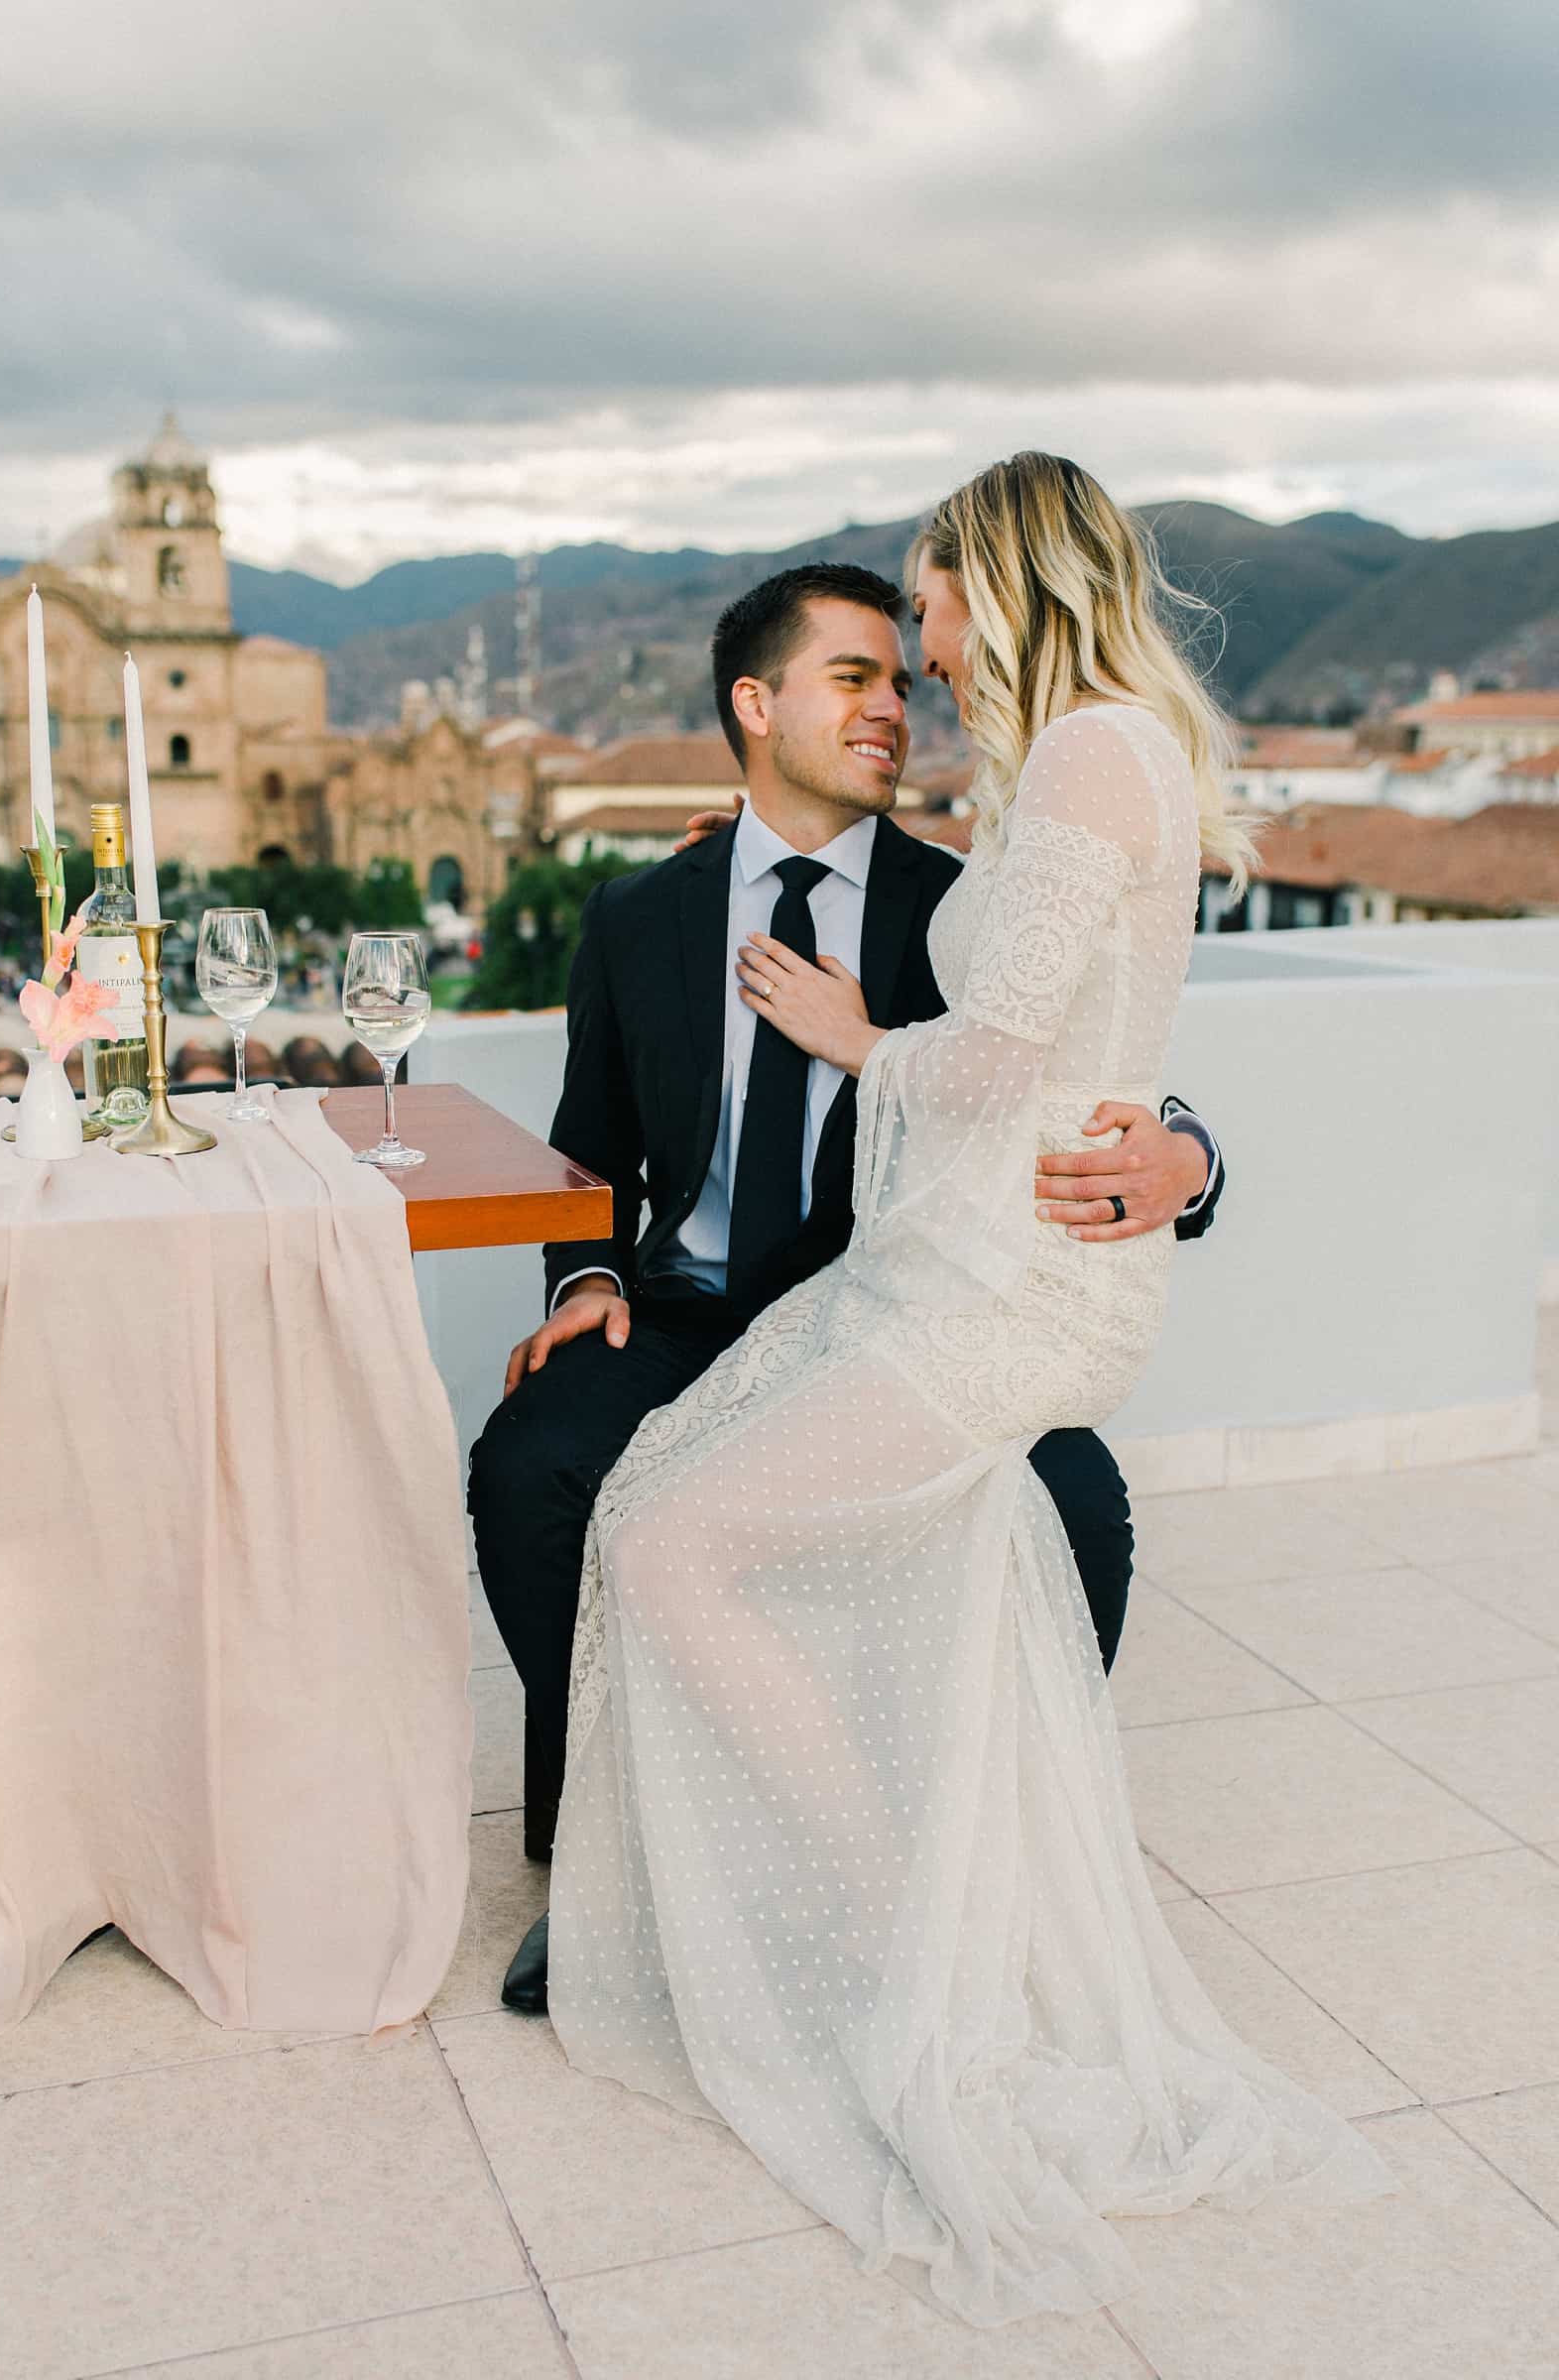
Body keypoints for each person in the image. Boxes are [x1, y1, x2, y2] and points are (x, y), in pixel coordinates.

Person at [544, 455, 1392, 2324]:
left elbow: (1027, 1053)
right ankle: (859, 1905)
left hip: (1011, 1284)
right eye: (877, 644)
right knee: (657, 1503)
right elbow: (1078, 1010)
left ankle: (879, 1940)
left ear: (1001, 585)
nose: (915, 654)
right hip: (941, 1266)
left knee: (676, 1533)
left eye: (929, 606)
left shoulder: (1088, 760)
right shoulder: (1059, 770)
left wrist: (864, 1037)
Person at [469, 553, 1225, 2021]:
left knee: (1074, 1504)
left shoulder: (958, 904)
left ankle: (965, 1858)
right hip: (681, 1307)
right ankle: (608, 1859)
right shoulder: (639, 916)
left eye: (903, 672)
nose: (897, 705)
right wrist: (584, 1278)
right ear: (757, 706)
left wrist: (1189, 1159)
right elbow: (588, 1142)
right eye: (855, 678)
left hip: (906, 1312)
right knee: (534, 1467)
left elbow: (1094, 1068)